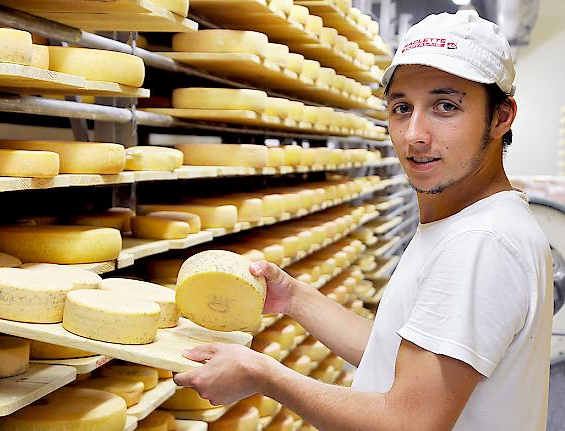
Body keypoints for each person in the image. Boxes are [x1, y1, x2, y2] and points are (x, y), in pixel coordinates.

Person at [174, 11, 553, 431]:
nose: (414, 134)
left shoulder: (481, 242)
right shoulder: (469, 222)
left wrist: (265, 375)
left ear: (501, 117)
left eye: (446, 106)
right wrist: (295, 297)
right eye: (402, 108)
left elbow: (407, 423)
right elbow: (396, 358)